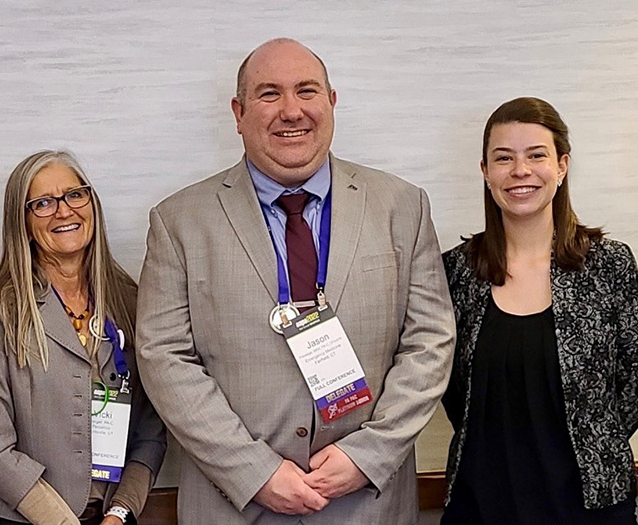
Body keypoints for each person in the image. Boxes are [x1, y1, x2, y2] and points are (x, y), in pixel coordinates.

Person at [135, 38, 455, 525]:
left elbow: (430, 343)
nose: (291, 111)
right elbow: (164, 358)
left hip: (368, 504)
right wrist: (253, 472)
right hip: (234, 505)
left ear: (331, 102)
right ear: (238, 112)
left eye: (307, 91)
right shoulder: (179, 221)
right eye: (269, 94)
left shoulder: (401, 206)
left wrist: (366, 456)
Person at [439, 97, 638, 525]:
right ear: (485, 172)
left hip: (590, 505)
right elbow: (450, 389)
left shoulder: (609, 265)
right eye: (504, 158)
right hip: (482, 503)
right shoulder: (457, 272)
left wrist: (592, 441)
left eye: (536, 155)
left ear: (561, 166)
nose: (520, 171)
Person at [0, 151, 166, 525]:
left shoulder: (131, 300)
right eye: (42, 203)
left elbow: (151, 430)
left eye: (75, 195)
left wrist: (120, 513)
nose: (64, 211)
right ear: (20, 221)